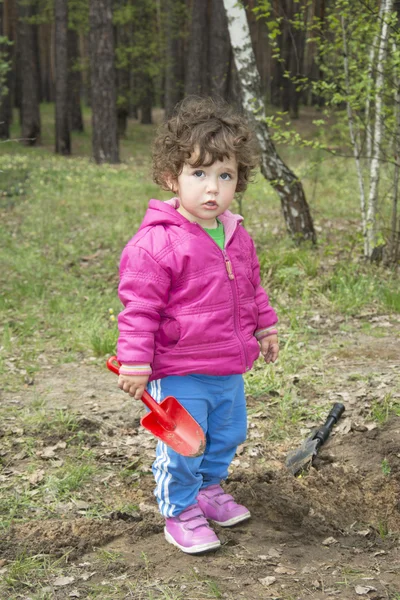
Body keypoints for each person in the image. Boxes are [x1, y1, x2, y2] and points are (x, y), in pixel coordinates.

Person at [117, 96, 279, 554]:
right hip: (182, 368)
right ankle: (180, 510)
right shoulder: (157, 244)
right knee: (184, 444)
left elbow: (251, 286)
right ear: (173, 177)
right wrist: (134, 361)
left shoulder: (235, 232)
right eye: (199, 174)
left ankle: (209, 489)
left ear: (237, 181)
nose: (213, 189)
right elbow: (138, 309)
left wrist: (265, 327)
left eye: (224, 176)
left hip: (227, 364)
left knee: (228, 434)